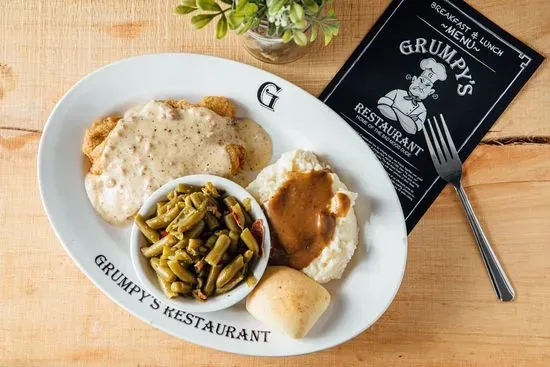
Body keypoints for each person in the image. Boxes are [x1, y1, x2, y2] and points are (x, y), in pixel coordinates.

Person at [377, 57, 447, 134]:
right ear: (414, 79)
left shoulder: (423, 110)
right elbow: (382, 107)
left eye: (427, 85)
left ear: (430, 92)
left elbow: (413, 129)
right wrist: (407, 119)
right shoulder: (397, 92)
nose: (421, 86)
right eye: (421, 81)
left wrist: (394, 108)